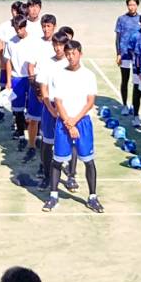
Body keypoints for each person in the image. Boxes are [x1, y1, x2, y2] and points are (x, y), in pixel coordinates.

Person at [45, 40, 104, 213]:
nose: (71, 57)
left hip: (82, 123)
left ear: (80, 54)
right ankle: (53, 196)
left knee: (88, 160)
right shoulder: (59, 75)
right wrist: (68, 124)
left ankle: (92, 197)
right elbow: (58, 101)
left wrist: (74, 122)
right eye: (68, 53)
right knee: (57, 160)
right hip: (64, 122)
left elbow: (90, 102)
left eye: (74, 53)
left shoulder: (89, 75)